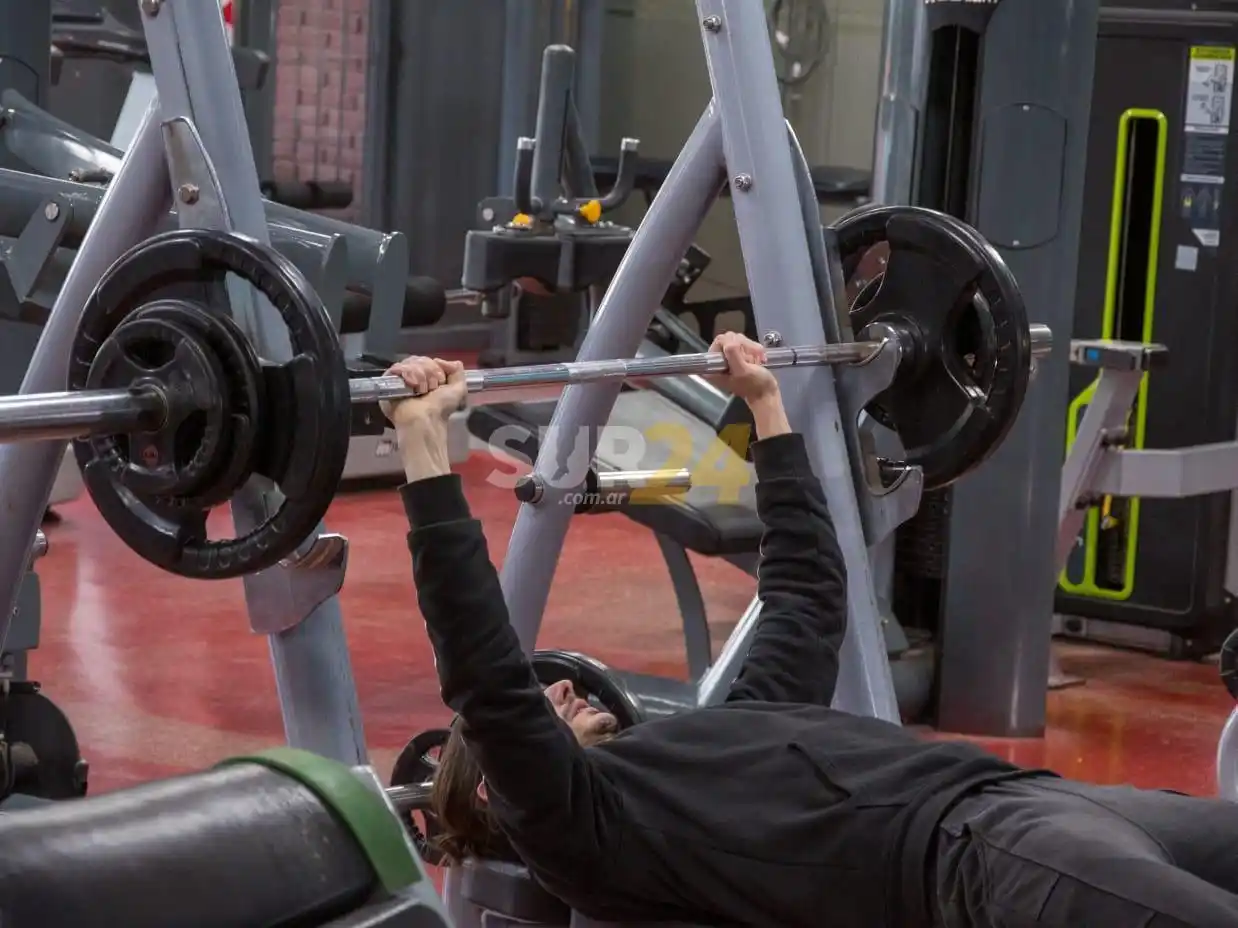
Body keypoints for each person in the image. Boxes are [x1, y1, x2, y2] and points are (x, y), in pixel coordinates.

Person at [383, 335, 1238, 928]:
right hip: (982, 854)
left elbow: (806, 597)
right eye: (548, 706)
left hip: (1044, 801)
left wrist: (767, 411)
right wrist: (425, 448)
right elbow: (488, 679)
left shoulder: (726, 733)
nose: (561, 682)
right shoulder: (588, 834)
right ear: (500, 789)